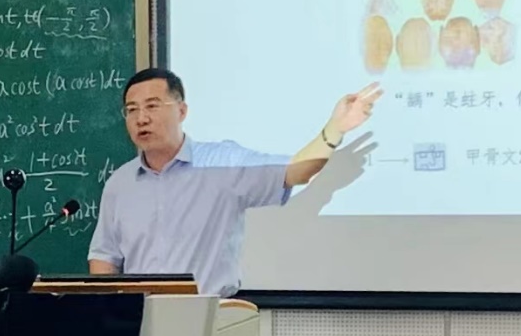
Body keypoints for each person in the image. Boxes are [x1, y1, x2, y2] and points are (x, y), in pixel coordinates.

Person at [87, 67, 381, 296]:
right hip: (136, 322)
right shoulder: (120, 184)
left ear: (182, 111)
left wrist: (335, 128)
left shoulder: (222, 163)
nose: (141, 118)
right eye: (132, 109)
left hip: (208, 316)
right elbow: (105, 257)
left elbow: (296, 171)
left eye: (152, 106)